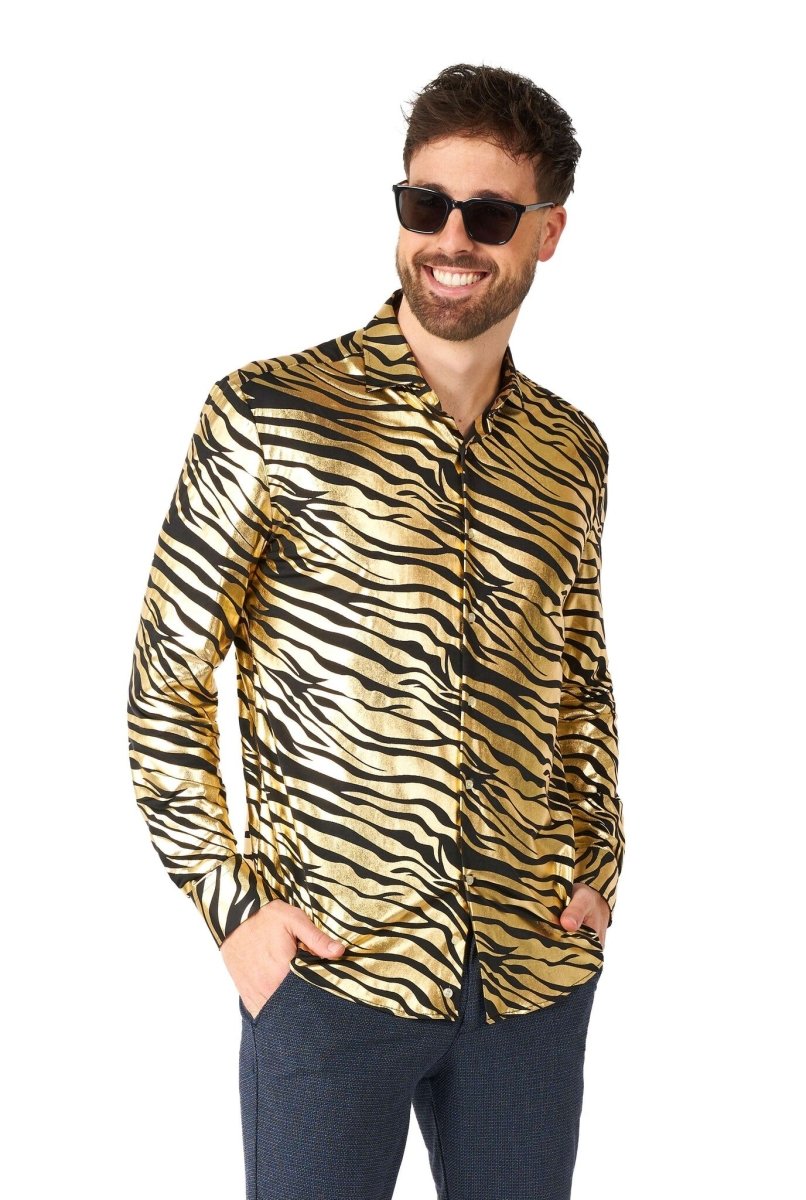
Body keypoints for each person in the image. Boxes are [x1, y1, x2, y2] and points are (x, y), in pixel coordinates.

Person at [127, 61, 625, 1200]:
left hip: (530, 977)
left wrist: (596, 867)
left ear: (546, 232)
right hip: (330, 975)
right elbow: (165, 682)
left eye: (488, 214)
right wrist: (234, 913)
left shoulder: (570, 450)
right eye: (424, 203)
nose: (450, 238)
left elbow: (580, 678)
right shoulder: (268, 413)